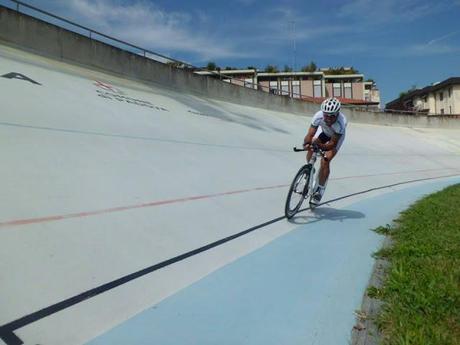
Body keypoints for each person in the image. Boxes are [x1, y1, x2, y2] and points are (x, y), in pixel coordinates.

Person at [303, 97, 347, 205]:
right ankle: (309, 168)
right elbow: (310, 134)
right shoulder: (318, 116)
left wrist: (322, 147)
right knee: (312, 145)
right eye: (326, 115)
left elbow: (332, 144)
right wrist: (307, 144)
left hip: (335, 138)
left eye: (332, 116)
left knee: (325, 160)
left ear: (337, 114)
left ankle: (320, 189)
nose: (328, 118)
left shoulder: (341, 123)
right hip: (324, 132)